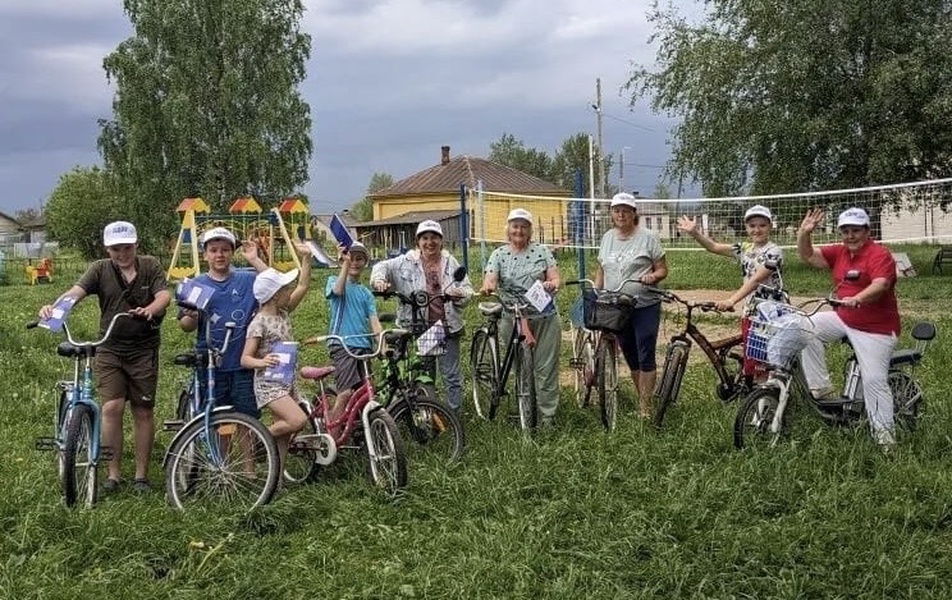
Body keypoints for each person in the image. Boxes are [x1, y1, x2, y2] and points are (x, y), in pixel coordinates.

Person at [38, 221, 171, 492]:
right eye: (115, 249)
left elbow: (164, 295)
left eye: (126, 247)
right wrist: (55, 308)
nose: (122, 254)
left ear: (136, 245)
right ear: (107, 249)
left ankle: (141, 476)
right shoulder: (99, 269)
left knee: (143, 410)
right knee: (111, 408)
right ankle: (113, 474)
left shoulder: (151, 266)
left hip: (144, 348)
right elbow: (76, 292)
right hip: (109, 347)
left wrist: (150, 309)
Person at [797, 207, 900, 450]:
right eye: (846, 231)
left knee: (874, 381)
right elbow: (808, 256)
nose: (850, 236)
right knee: (804, 326)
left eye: (856, 230)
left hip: (877, 328)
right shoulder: (840, 252)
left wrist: (859, 298)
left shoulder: (879, 254)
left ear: (867, 231)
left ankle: (886, 440)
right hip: (845, 318)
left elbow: (881, 284)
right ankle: (821, 388)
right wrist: (804, 233)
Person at [370, 220, 474, 412]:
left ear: (441, 241)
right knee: (425, 375)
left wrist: (459, 295)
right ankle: (429, 416)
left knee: (451, 375)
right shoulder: (405, 262)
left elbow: (468, 291)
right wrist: (379, 281)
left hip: (446, 326)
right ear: (418, 242)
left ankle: (454, 414)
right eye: (425, 238)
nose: (430, 242)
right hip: (421, 328)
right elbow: (381, 267)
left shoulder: (450, 262)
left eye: (434, 238)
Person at [677, 204, 784, 381]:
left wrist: (731, 300)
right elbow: (713, 247)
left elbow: (757, 279)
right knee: (753, 357)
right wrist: (695, 233)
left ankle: (767, 397)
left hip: (771, 312)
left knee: (767, 359)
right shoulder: (745, 249)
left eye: (762, 225)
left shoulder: (774, 251)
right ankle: (757, 392)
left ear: (770, 226)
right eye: (752, 225)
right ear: (746, 227)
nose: (757, 230)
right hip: (751, 311)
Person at [479, 208, 561, 426]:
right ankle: (524, 409)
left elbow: (555, 277)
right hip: (512, 316)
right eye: (515, 226)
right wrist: (489, 286)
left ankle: (547, 416)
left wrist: (551, 283)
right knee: (520, 367)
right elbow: (491, 277)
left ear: (530, 230)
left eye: (524, 226)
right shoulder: (499, 254)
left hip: (544, 315)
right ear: (508, 229)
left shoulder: (542, 251)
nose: (519, 230)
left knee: (545, 368)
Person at [177, 227, 268, 418]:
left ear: (232, 253)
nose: (219, 255)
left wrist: (255, 259)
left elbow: (274, 282)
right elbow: (186, 326)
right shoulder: (196, 285)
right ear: (205, 255)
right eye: (214, 250)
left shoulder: (248, 279)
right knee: (217, 418)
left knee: (248, 416)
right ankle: (221, 449)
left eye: (225, 250)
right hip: (211, 363)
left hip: (243, 362)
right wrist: (191, 316)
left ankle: (247, 450)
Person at [594, 192, 668, 419]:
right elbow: (602, 268)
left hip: (644, 304)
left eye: (626, 210)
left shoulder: (648, 237)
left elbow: (662, 269)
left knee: (645, 351)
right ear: (611, 214)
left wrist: (652, 277)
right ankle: (642, 397)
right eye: (617, 210)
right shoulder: (607, 237)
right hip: (617, 306)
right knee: (629, 353)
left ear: (634, 213)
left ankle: (645, 407)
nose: (621, 214)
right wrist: (597, 292)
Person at [240, 241, 312, 471]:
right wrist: (262, 361)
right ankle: (258, 438)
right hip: (269, 383)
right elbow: (245, 358)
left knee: (285, 433)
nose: (289, 292)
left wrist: (307, 258)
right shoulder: (258, 322)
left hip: (286, 379)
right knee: (298, 420)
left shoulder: (283, 311)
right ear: (273, 296)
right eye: (284, 290)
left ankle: (277, 480)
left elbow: (303, 284)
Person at [321, 242, 383, 427]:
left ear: (365, 262)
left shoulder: (366, 293)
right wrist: (345, 265)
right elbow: (338, 291)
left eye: (359, 259)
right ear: (342, 260)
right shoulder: (334, 280)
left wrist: (382, 344)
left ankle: (361, 431)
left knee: (366, 392)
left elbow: (374, 322)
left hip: (364, 347)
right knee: (345, 392)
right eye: (351, 259)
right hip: (342, 344)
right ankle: (333, 437)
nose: (355, 263)